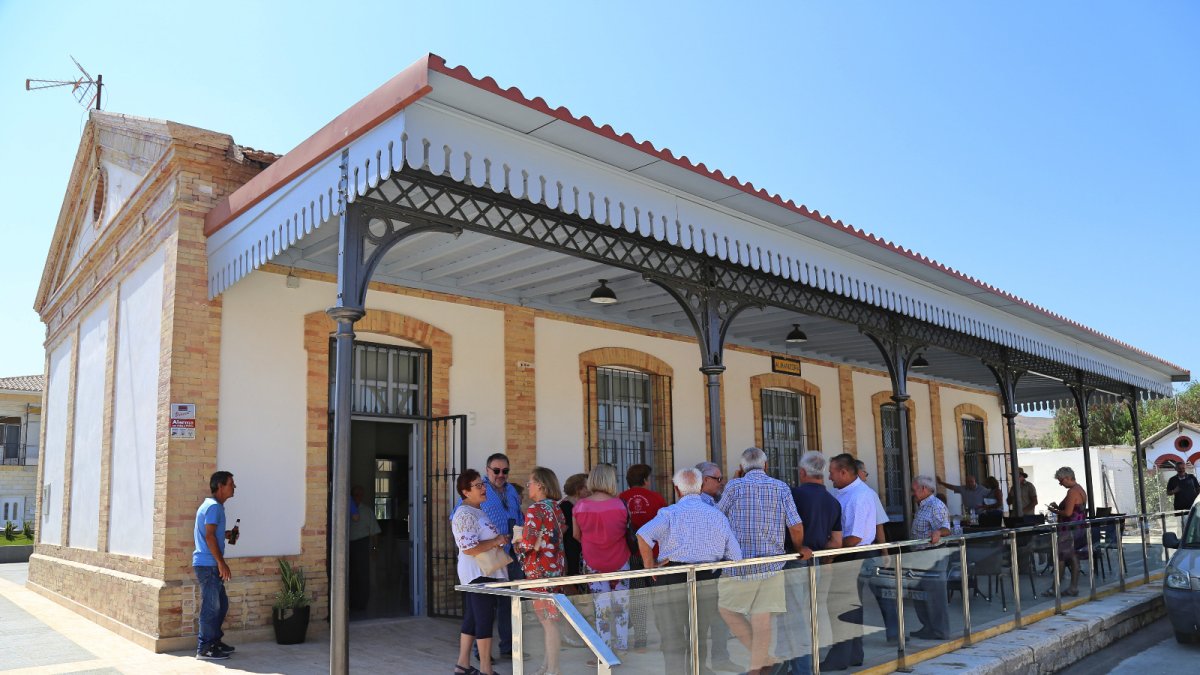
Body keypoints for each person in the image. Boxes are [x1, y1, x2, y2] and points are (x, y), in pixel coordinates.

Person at [636, 467, 743, 674]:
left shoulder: (669, 513)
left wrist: (650, 568)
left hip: (672, 578)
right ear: (701, 486)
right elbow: (736, 556)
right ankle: (698, 670)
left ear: (677, 489)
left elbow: (643, 534)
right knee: (700, 632)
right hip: (706, 579)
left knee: (672, 635)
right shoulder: (717, 516)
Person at [718, 447, 809, 675]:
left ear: (741, 468)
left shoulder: (733, 486)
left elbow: (719, 519)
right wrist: (799, 548)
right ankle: (759, 665)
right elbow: (796, 526)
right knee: (762, 620)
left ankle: (760, 662)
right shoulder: (780, 487)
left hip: (739, 566)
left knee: (727, 610)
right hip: (772, 565)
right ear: (766, 466)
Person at [779, 451, 842, 674]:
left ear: (802, 472)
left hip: (792, 562)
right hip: (816, 564)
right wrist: (823, 558)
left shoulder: (791, 495)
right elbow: (836, 542)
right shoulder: (834, 502)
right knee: (808, 616)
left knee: (791, 620)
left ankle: (801, 668)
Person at [823, 454, 881, 671]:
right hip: (851, 555)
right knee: (852, 607)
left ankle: (840, 657)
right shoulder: (849, 492)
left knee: (841, 607)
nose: (830, 478)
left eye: (832, 473)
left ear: (844, 472)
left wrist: (831, 554)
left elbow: (853, 537)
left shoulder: (858, 496)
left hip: (851, 555)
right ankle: (853, 654)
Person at [452, 469, 510, 675]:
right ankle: (486, 669)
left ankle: (462, 665)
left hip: (486, 572)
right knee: (484, 618)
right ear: (465, 491)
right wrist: (495, 541)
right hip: (477, 573)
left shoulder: (478, 511)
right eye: (478, 486)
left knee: (473, 618)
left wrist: (499, 540)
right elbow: (469, 547)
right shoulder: (464, 513)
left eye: (482, 485)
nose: (483, 488)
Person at [573, 463, 633, 654]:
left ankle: (604, 649)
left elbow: (576, 534)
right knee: (621, 605)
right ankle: (622, 646)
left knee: (601, 607)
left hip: (593, 561)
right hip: (620, 559)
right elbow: (626, 532)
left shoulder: (580, 506)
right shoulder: (621, 505)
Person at [514, 467, 567, 675]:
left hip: (540, 571)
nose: (528, 487)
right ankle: (548, 665)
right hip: (556, 568)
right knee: (552, 621)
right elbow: (560, 531)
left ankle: (554, 669)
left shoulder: (535, 509)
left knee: (547, 622)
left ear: (541, 485)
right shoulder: (556, 507)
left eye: (530, 483)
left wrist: (517, 541)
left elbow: (528, 543)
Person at [619, 463, 666, 651]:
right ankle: (666, 639)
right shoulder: (657, 499)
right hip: (654, 556)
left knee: (638, 599)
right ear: (646, 479)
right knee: (660, 599)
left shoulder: (621, 499)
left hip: (631, 556)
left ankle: (640, 641)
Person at [695, 461, 736, 672]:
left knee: (720, 616)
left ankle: (719, 658)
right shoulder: (700, 505)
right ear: (704, 480)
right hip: (705, 571)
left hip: (717, 569)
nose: (722, 483)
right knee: (703, 620)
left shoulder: (714, 502)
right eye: (718, 479)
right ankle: (702, 665)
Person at [193, 471, 238, 661]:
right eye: (231, 484)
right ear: (220, 486)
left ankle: (214, 641)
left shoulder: (214, 507)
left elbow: (211, 533)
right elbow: (209, 536)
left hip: (210, 564)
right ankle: (204, 649)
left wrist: (227, 534)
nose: (234, 487)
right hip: (209, 565)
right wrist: (222, 563)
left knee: (221, 605)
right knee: (211, 607)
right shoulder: (213, 507)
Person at [908, 475, 951, 641]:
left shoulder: (935, 505)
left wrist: (938, 532)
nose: (912, 493)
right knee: (920, 593)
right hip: (920, 555)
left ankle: (940, 631)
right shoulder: (923, 505)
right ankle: (928, 627)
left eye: (914, 490)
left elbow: (946, 529)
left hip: (933, 555)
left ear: (924, 489)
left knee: (935, 595)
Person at [1047, 466, 1088, 596]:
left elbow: (1068, 512)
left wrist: (1054, 511)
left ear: (1068, 478)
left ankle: (1054, 588)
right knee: (1074, 557)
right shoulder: (1080, 489)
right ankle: (1073, 587)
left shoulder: (1072, 492)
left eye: (1061, 480)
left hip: (1069, 529)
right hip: (1079, 528)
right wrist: (1058, 507)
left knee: (1060, 557)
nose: (1060, 483)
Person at [348, 484, 381, 613]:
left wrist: (374, 548)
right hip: (347, 545)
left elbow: (374, 532)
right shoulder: (345, 508)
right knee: (350, 575)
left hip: (362, 544)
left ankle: (362, 604)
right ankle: (351, 603)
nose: (358, 497)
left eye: (360, 495)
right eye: (356, 495)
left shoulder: (367, 511)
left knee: (362, 575)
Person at [559, 473, 590, 576]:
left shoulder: (581, 505)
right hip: (571, 551)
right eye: (586, 487)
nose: (589, 490)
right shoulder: (565, 507)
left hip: (580, 550)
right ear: (578, 489)